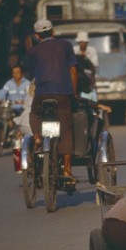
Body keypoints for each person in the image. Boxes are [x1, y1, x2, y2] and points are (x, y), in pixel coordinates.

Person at [25, 19, 78, 182]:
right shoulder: (66, 46)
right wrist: (73, 93)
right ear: (53, 32)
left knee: (34, 114)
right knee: (66, 128)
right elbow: (73, 71)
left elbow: (30, 71)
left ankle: (37, 136)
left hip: (42, 95)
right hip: (63, 94)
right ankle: (68, 169)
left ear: (37, 35)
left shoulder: (34, 51)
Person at [73, 31, 99, 101]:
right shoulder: (74, 50)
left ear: (87, 42)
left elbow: (94, 66)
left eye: (84, 42)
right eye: (81, 42)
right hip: (78, 78)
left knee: (91, 99)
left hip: (89, 78)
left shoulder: (92, 50)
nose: (82, 44)